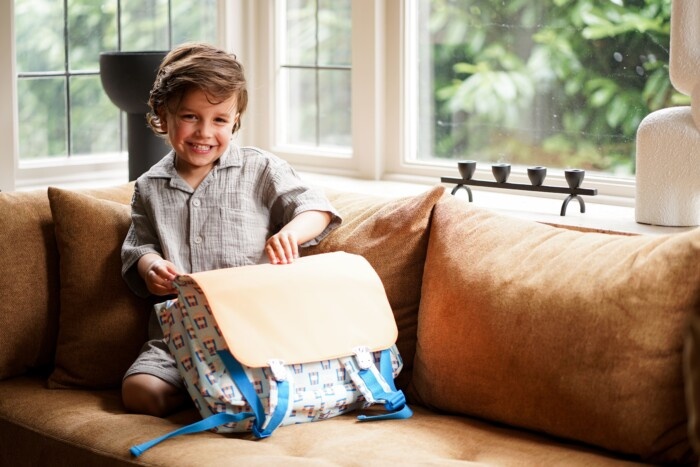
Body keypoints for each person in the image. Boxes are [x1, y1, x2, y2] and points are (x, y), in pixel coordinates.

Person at [120, 42, 341, 417]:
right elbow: (140, 246)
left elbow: (315, 208)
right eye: (190, 116)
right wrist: (150, 266)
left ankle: (226, 392)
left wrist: (292, 233)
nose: (204, 132)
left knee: (259, 374)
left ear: (236, 119)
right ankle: (208, 393)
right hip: (180, 336)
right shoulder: (148, 187)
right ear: (163, 113)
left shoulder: (261, 169)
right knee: (139, 392)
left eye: (219, 120)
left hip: (252, 328)